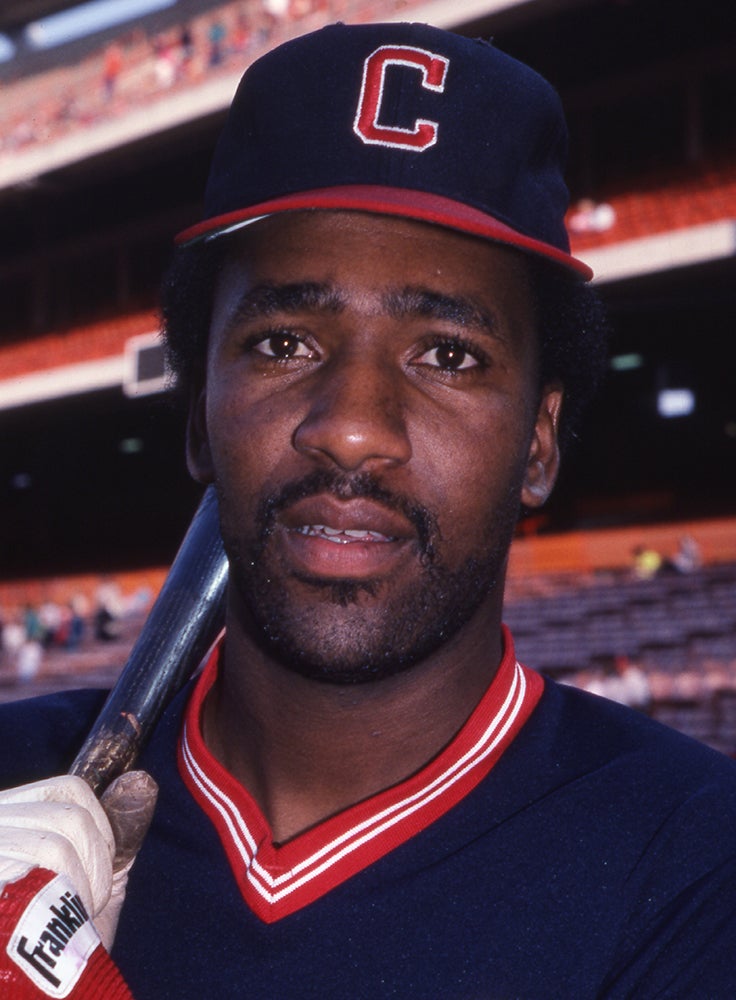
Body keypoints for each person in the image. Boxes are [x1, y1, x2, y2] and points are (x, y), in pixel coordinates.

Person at [0, 22, 734, 999]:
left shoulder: (694, 858)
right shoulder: (16, 774)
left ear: (539, 442)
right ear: (194, 413)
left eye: (447, 355)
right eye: (283, 344)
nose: (349, 428)